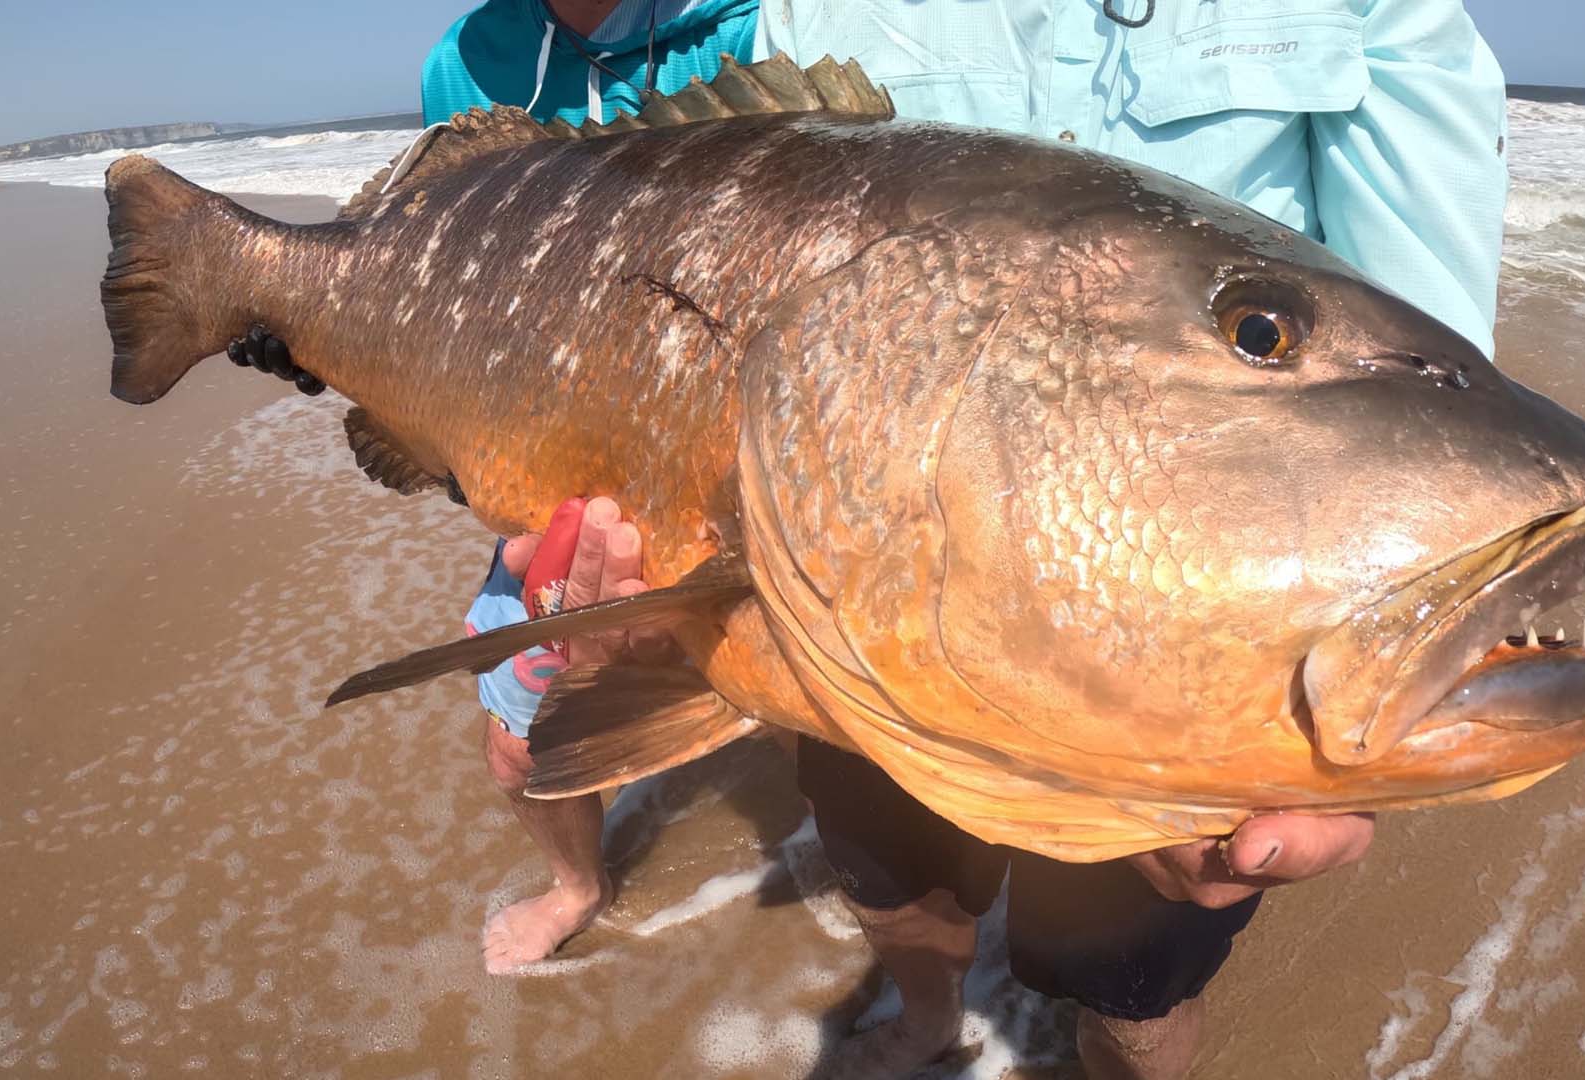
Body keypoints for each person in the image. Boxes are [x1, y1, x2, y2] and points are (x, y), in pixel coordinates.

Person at [752, 1, 1506, 1076]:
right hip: (851, 580)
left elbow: (1431, 417)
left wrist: (1345, 722)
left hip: (1182, 646)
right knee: (898, 881)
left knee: (1135, 991)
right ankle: (929, 1021)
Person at [231, 0, 758, 972]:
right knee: (518, 748)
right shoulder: (467, 59)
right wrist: (319, 337)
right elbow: (444, 263)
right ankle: (579, 884)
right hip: (557, 464)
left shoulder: (755, 25)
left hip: (731, 451)